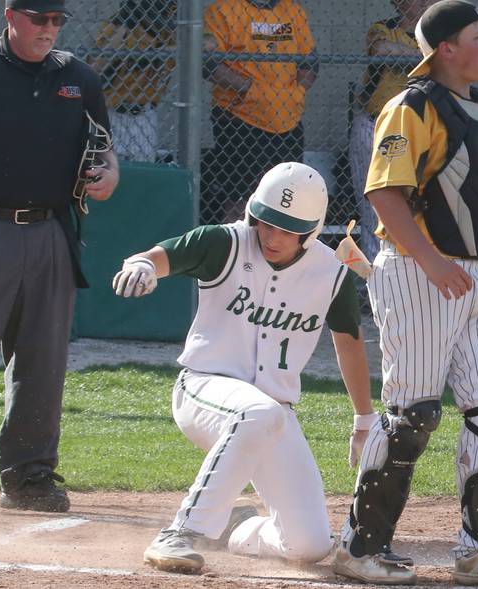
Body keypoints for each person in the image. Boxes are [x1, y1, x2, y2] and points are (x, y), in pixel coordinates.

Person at [330, 2, 478, 587]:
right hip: (416, 270)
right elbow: (385, 194)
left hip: (476, 274)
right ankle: (360, 546)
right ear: (445, 49)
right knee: (412, 414)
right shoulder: (411, 105)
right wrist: (430, 262)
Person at [112, 161, 375, 574]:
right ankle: (181, 533)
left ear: (311, 232)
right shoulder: (225, 243)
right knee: (258, 412)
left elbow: (349, 342)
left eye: (288, 229)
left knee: (307, 544)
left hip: (274, 412)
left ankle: (238, 528)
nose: (272, 236)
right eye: (267, 223)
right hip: (204, 387)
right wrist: (142, 266)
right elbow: (158, 257)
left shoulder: (331, 273)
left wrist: (364, 417)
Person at [0, 0, 119, 514]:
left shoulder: (78, 77)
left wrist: (109, 177)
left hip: (52, 231)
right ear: (12, 16)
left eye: (57, 21)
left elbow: (105, 154)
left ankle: (29, 478)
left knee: (42, 360)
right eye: (39, 19)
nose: (49, 30)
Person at [201, 0, 317, 224]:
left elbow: (311, 61)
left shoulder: (292, 11)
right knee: (238, 197)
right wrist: (250, 89)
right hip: (240, 119)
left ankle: (276, 253)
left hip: (288, 120)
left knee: (286, 196)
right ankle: (234, 249)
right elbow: (210, 65)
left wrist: (296, 92)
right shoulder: (223, 9)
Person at [349, 0, 428, 262]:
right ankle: (375, 274)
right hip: (374, 125)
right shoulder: (383, 28)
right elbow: (382, 50)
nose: (422, 3)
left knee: (416, 207)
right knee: (374, 207)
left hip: (415, 132)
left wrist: (412, 56)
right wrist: (428, 59)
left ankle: (408, 272)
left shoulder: (436, 36)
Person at [92, 0, 176, 162]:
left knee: (143, 177)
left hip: (144, 117)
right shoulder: (118, 25)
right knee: (105, 174)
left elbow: (200, 46)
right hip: (111, 114)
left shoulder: (170, 30)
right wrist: (123, 29)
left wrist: (154, 51)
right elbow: (95, 67)